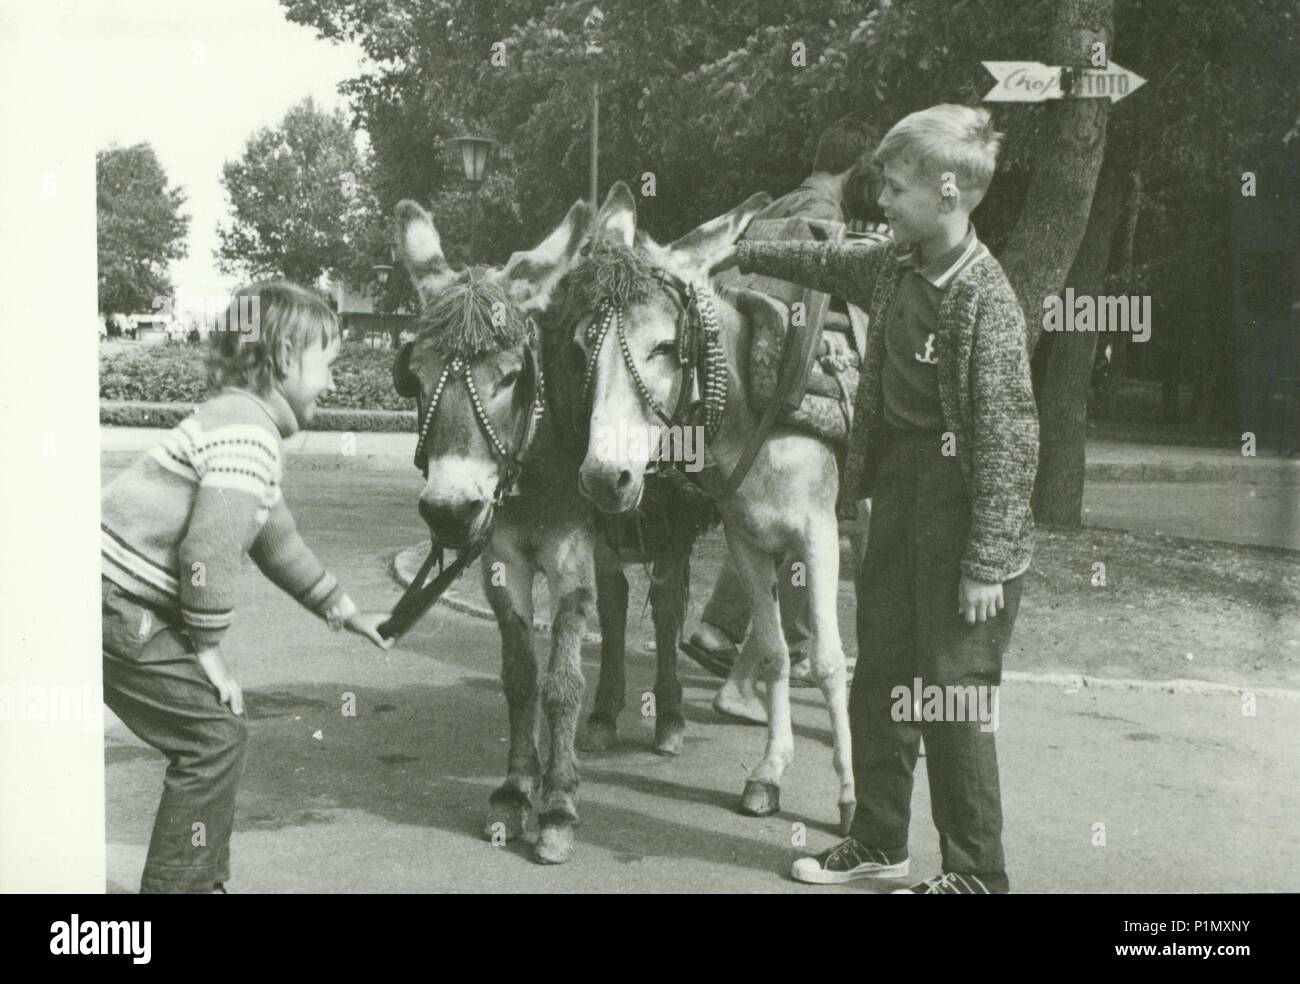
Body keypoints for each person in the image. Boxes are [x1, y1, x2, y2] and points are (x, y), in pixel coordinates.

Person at [718, 105, 1037, 894]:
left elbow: (1011, 442)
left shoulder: (986, 299)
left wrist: (987, 562)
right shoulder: (895, 265)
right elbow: (822, 265)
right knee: (883, 677)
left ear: (951, 191)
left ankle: (977, 873)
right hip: (895, 497)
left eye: (895, 189)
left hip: (963, 516)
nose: (882, 202)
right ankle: (879, 842)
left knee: (952, 697)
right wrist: (732, 251)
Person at [101, 281, 393, 893]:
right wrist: (208, 648)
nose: (335, 385)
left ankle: (201, 882)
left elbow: (276, 541)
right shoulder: (247, 434)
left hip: (110, 598)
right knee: (212, 737)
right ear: (286, 358)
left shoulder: (238, 422)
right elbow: (208, 547)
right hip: (115, 604)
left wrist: (345, 609)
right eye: (329, 367)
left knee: (215, 734)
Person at [686, 116, 877, 715]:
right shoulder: (832, 219)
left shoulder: (774, 209)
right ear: (857, 169)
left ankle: (725, 633)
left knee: (767, 526)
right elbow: (838, 319)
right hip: (805, 392)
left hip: (753, 399)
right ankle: (788, 662)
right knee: (828, 531)